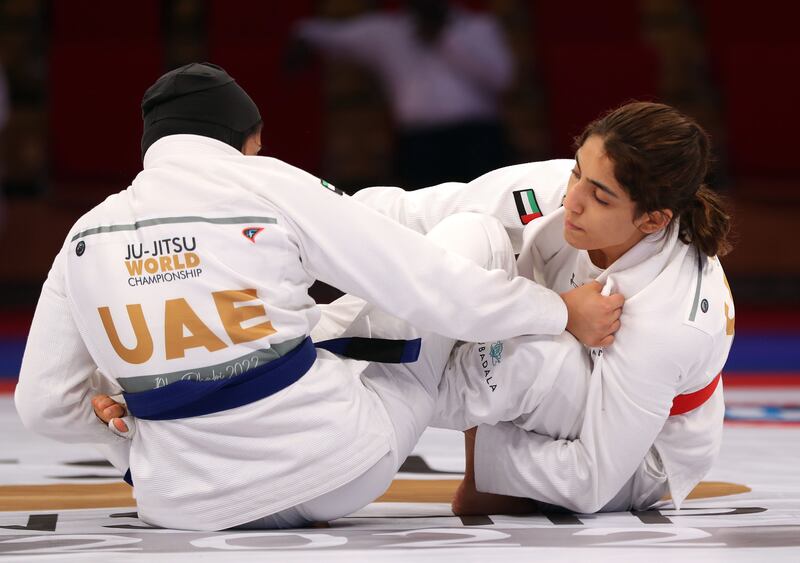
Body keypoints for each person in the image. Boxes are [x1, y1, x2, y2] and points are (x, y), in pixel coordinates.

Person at [15, 62, 620, 531]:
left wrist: (129, 440)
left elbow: (44, 403)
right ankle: (486, 429)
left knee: (318, 325)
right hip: (334, 471)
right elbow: (427, 283)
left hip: (178, 504)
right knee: (473, 237)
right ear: (248, 140)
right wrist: (559, 312)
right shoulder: (266, 181)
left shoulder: (86, 233)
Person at [348, 101, 735, 515]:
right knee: (470, 231)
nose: (572, 200)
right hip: (550, 373)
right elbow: (415, 214)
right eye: (576, 173)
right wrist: (295, 211)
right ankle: (355, 367)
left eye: (601, 198)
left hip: (637, 458)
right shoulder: (555, 189)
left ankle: (381, 406)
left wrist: (487, 459)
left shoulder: (669, 320)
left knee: (536, 358)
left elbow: (592, 481)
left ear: (653, 221)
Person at [291, 0, 513, 188]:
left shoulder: (477, 28)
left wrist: (445, 38)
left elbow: (502, 78)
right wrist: (302, 39)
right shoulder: (390, 32)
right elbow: (326, 34)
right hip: (419, 145)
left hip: (478, 140)